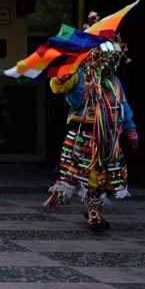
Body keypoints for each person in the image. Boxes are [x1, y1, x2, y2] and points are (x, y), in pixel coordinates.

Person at [47, 38, 138, 233]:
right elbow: (64, 91)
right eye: (105, 57)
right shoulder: (80, 75)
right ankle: (94, 212)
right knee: (90, 176)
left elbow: (123, 105)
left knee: (104, 177)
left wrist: (130, 128)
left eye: (113, 58)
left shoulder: (114, 80)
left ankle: (94, 210)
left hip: (109, 138)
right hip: (84, 135)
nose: (109, 61)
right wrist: (64, 79)